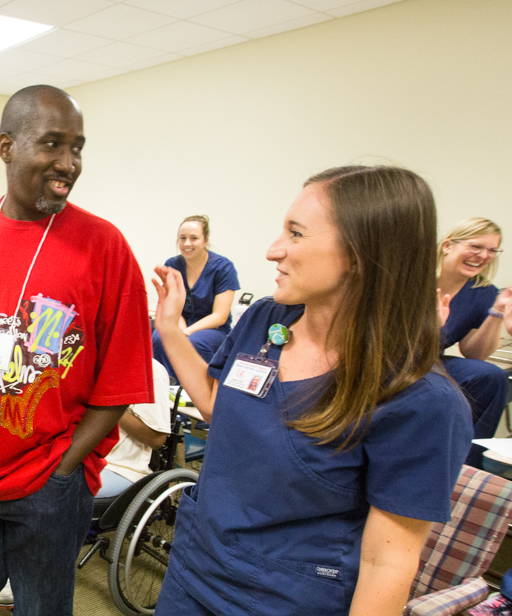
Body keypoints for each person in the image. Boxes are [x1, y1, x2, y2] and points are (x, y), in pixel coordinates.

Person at [152, 165, 471, 615]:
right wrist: (169, 329)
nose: (272, 250)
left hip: (285, 598)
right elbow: (216, 407)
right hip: (196, 566)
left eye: (296, 234)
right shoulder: (267, 322)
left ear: (361, 254)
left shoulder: (420, 401)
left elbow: (388, 562)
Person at [0, 85, 154, 615]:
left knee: (43, 608)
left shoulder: (105, 247)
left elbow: (120, 384)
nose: (69, 163)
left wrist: (66, 467)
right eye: (52, 144)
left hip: (49, 481)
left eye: (77, 147)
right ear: (6, 146)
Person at [435, 218, 509, 467]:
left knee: (491, 376)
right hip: (387, 358)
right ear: (448, 245)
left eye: (491, 250)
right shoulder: (413, 277)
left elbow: (474, 354)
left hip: (430, 362)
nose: (483, 256)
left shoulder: (483, 292)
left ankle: (467, 467)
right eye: (476, 247)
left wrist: (497, 312)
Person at [151, 216, 240, 380]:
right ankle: (167, 386)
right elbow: (174, 307)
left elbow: (219, 316)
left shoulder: (223, 267)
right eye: (182, 238)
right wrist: (180, 331)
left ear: (205, 240)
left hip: (214, 329)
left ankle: (201, 388)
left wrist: (186, 333)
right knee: (158, 337)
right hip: (181, 323)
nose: (187, 244)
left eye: (194, 238)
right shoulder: (172, 265)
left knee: (195, 342)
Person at [97, 359, 170, 498]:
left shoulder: (151, 370)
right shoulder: (84, 359)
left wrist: (107, 402)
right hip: (79, 455)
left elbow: (156, 439)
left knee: (55, 490)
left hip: (118, 467)